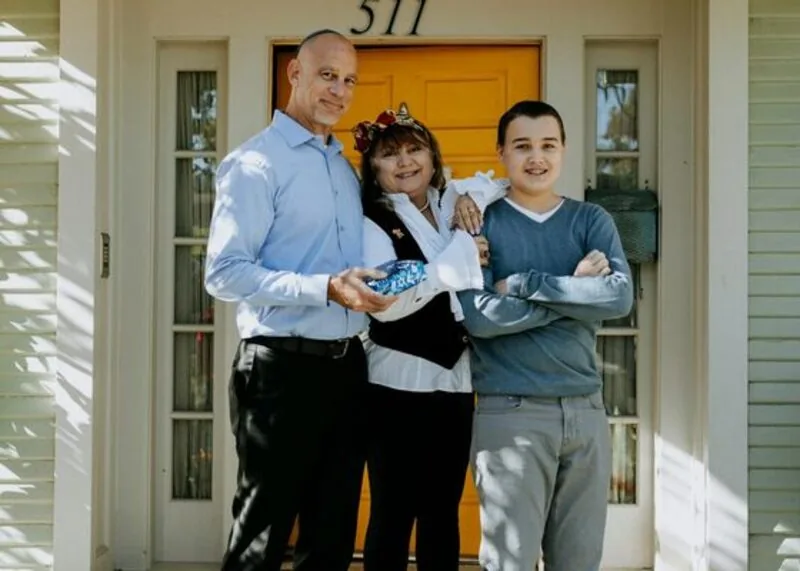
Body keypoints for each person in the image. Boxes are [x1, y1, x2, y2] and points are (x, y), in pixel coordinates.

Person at [204, 29, 397, 571]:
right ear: (295, 73)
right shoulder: (255, 164)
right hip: (278, 371)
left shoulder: (341, 166)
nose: (339, 90)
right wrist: (325, 288)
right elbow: (223, 272)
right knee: (262, 538)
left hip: (346, 368)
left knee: (332, 536)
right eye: (327, 75)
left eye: (349, 80)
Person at [455, 100, 634, 571]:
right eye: (522, 146)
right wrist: (575, 291)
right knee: (509, 563)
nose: (537, 157)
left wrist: (525, 285)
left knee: (577, 562)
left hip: (586, 411)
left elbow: (616, 299)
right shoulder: (480, 223)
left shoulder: (591, 221)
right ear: (501, 153)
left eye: (548, 145)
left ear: (563, 150)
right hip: (511, 413)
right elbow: (481, 318)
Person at [353, 106, 503, 571]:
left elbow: (497, 183)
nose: (405, 161)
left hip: (455, 384)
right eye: (389, 154)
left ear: (433, 157)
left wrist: (463, 195)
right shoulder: (370, 221)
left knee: (442, 515)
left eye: (414, 149)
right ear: (374, 168)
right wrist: (456, 259)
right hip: (394, 384)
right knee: (393, 515)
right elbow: (388, 299)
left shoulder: (448, 204)